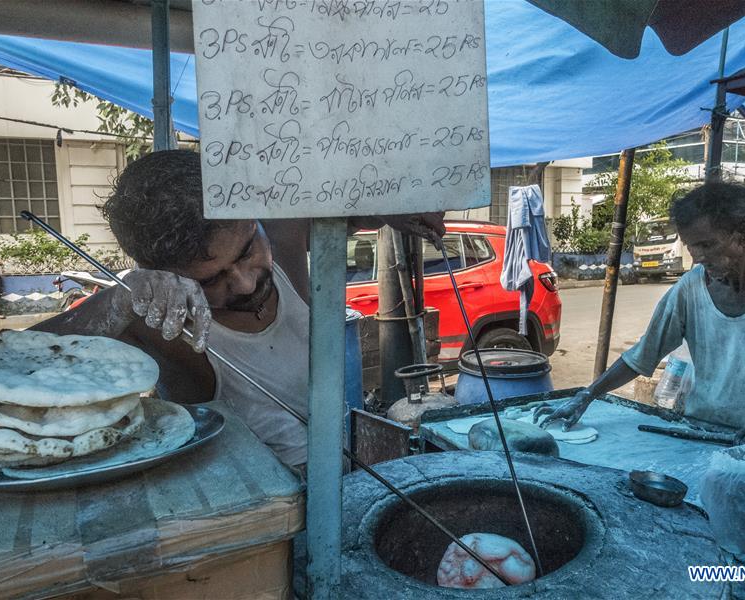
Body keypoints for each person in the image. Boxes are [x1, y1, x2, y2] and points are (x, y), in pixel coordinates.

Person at [34, 149, 444, 469]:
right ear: (163, 273)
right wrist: (116, 301)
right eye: (210, 280)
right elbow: (16, 361)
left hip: (342, 471)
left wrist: (392, 204)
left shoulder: (282, 231)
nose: (246, 283)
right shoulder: (153, 319)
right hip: (256, 502)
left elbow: (351, 208)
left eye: (248, 251)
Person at [536, 183, 745, 445]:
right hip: (701, 433)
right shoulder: (690, 287)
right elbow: (642, 355)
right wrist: (587, 395)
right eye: (691, 246)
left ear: (744, 235)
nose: (697, 257)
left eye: (707, 244)